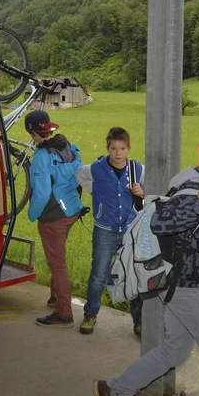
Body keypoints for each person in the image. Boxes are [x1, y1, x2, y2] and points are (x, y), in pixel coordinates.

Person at [93, 133, 199, 396]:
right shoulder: (196, 192)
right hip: (192, 288)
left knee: (175, 349)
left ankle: (113, 391)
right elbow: (160, 222)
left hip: (185, 284)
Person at [74, 126, 145, 336]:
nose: (117, 153)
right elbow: (79, 174)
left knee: (133, 274)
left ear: (128, 148)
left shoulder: (138, 169)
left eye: (122, 148)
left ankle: (139, 320)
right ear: (108, 148)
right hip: (104, 230)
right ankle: (90, 314)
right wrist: (95, 191)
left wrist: (142, 192)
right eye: (113, 148)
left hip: (131, 231)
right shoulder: (96, 168)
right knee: (98, 274)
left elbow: (151, 193)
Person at [25, 109, 85, 328]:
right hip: (72, 210)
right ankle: (54, 297)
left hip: (53, 215)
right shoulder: (68, 146)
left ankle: (64, 313)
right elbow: (80, 174)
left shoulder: (41, 157)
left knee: (57, 264)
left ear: (32, 132)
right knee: (56, 257)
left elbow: (40, 194)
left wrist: (32, 214)